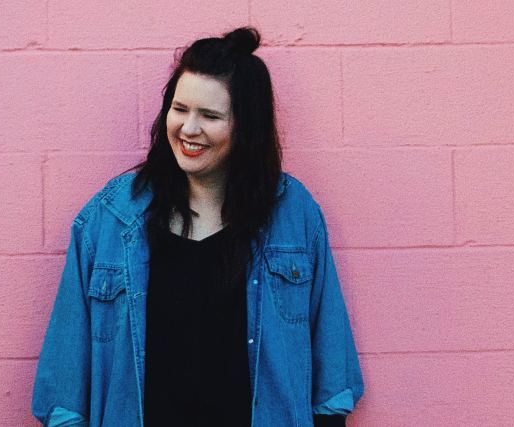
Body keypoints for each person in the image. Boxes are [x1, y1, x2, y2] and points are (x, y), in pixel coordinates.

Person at [31, 27, 364, 426]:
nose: (189, 129)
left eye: (210, 115)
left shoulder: (293, 215)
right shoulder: (109, 218)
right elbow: (63, 394)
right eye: (180, 108)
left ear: (246, 125)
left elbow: (333, 382)